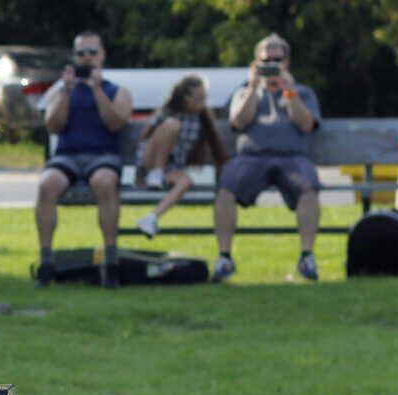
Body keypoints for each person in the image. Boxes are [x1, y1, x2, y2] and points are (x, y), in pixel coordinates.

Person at [212, 34, 323, 283]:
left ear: (287, 62)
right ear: (256, 64)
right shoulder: (244, 91)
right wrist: (254, 87)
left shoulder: (302, 92)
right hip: (252, 157)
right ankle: (225, 258)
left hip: (292, 158)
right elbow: (239, 123)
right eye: (266, 61)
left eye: (277, 60)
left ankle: (307, 257)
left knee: (309, 188)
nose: (272, 65)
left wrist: (289, 91)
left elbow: (306, 125)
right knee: (226, 187)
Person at [34, 29, 133, 289]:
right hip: (67, 157)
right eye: (81, 53)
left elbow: (115, 123)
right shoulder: (61, 90)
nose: (87, 57)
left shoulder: (117, 91)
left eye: (92, 52)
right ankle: (46, 262)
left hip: (102, 157)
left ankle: (110, 261)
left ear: (102, 55)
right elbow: (53, 126)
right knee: (46, 184)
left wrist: (97, 89)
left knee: (105, 183)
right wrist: (67, 92)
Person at [131, 75, 227, 239]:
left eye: (205, 98)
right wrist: (139, 173)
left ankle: (152, 218)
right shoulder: (168, 112)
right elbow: (145, 137)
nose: (203, 103)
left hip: (171, 167)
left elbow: (217, 148)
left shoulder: (202, 119)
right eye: (198, 99)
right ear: (185, 98)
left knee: (186, 181)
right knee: (172, 125)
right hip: (150, 161)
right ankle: (156, 172)